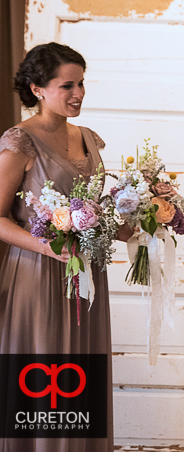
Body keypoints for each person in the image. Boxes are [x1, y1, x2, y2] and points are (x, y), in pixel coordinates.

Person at [0, 43, 119, 451]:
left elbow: (100, 213)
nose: (79, 93)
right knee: (43, 376)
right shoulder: (21, 141)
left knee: (81, 377)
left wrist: (139, 222)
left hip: (85, 279)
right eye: (67, 85)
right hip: (38, 275)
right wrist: (48, 248)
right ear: (37, 88)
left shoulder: (89, 139)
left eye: (82, 83)